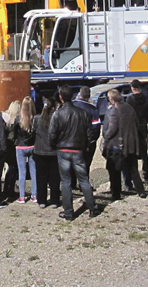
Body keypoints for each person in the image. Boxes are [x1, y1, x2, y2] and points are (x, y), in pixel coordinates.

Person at [49, 84, 97, 220]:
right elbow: (89, 133)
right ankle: (92, 208)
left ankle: (69, 212)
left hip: (63, 149)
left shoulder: (58, 114)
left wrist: (54, 145)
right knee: (83, 180)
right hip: (78, 149)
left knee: (65, 182)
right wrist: (86, 146)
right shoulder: (82, 113)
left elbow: (52, 134)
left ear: (60, 97)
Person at [33, 97, 60, 209]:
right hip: (53, 151)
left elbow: (34, 131)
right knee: (54, 178)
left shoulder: (37, 119)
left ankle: (42, 200)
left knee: (41, 177)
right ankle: (54, 200)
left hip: (40, 151)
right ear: (53, 107)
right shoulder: (56, 119)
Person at [126, 80, 148, 181]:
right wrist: (145, 121)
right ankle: (145, 173)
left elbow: (127, 115)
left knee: (133, 152)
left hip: (133, 129)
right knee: (144, 152)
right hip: (143, 128)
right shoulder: (146, 98)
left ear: (132, 88)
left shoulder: (129, 100)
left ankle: (134, 175)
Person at [74, 86, 102, 180]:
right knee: (86, 164)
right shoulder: (92, 109)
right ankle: (84, 185)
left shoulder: (72, 105)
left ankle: (73, 184)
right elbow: (96, 126)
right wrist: (93, 140)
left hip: (72, 140)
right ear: (89, 96)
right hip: (86, 142)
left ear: (79, 94)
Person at [13, 97, 37, 203]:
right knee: (33, 171)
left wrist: (16, 142)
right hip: (32, 146)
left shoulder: (18, 119)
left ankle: (22, 196)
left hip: (20, 146)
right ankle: (34, 195)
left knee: (22, 172)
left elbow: (13, 133)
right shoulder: (35, 119)